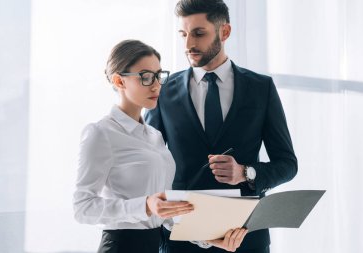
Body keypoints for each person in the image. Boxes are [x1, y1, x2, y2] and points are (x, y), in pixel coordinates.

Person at [145, 1, 298, 253]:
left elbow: (287, 165)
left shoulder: (261, 89)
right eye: (183, 34)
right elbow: (148, 163)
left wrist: (245, 173)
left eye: (198, 33)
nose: (188, 45)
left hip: (245, 239)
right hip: (181, 239)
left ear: (224, 32)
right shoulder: (163, 91)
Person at [73, 39, 246, 253]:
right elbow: (82, 208)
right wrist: (145, 205)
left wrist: (209, 238)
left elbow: (165, 212)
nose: (156, 85)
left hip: (154, 245)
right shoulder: (101, 133)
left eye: (158, 75)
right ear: (119, 81)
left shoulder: (154, 136)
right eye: (145, 77)